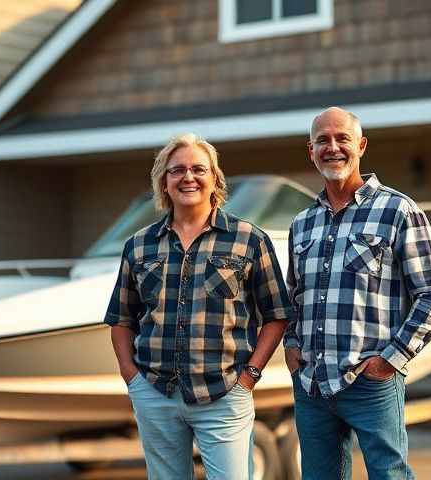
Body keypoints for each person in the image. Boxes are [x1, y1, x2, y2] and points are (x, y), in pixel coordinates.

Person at [105, 133, 293, 479]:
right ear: (164, 181)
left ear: (214, 179)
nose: (188, 177)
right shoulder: (139, 245)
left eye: (198, 169)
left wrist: (250, 376)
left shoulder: (249, 239)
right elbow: (120, 318)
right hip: (156, 393)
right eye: (177, 170)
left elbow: (277, 314)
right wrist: (133, 379)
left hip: (224, 393)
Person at [284, 107, 431, 480]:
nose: (333, 148)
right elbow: (293, 297)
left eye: (342, 138)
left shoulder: (398, 210)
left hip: (370, 382)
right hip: (312, 385)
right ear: (310, 151)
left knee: (389, 476)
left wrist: (389, 361)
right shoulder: (302, 223)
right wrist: (293, 348)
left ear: (360, 145)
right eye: (322, 141)